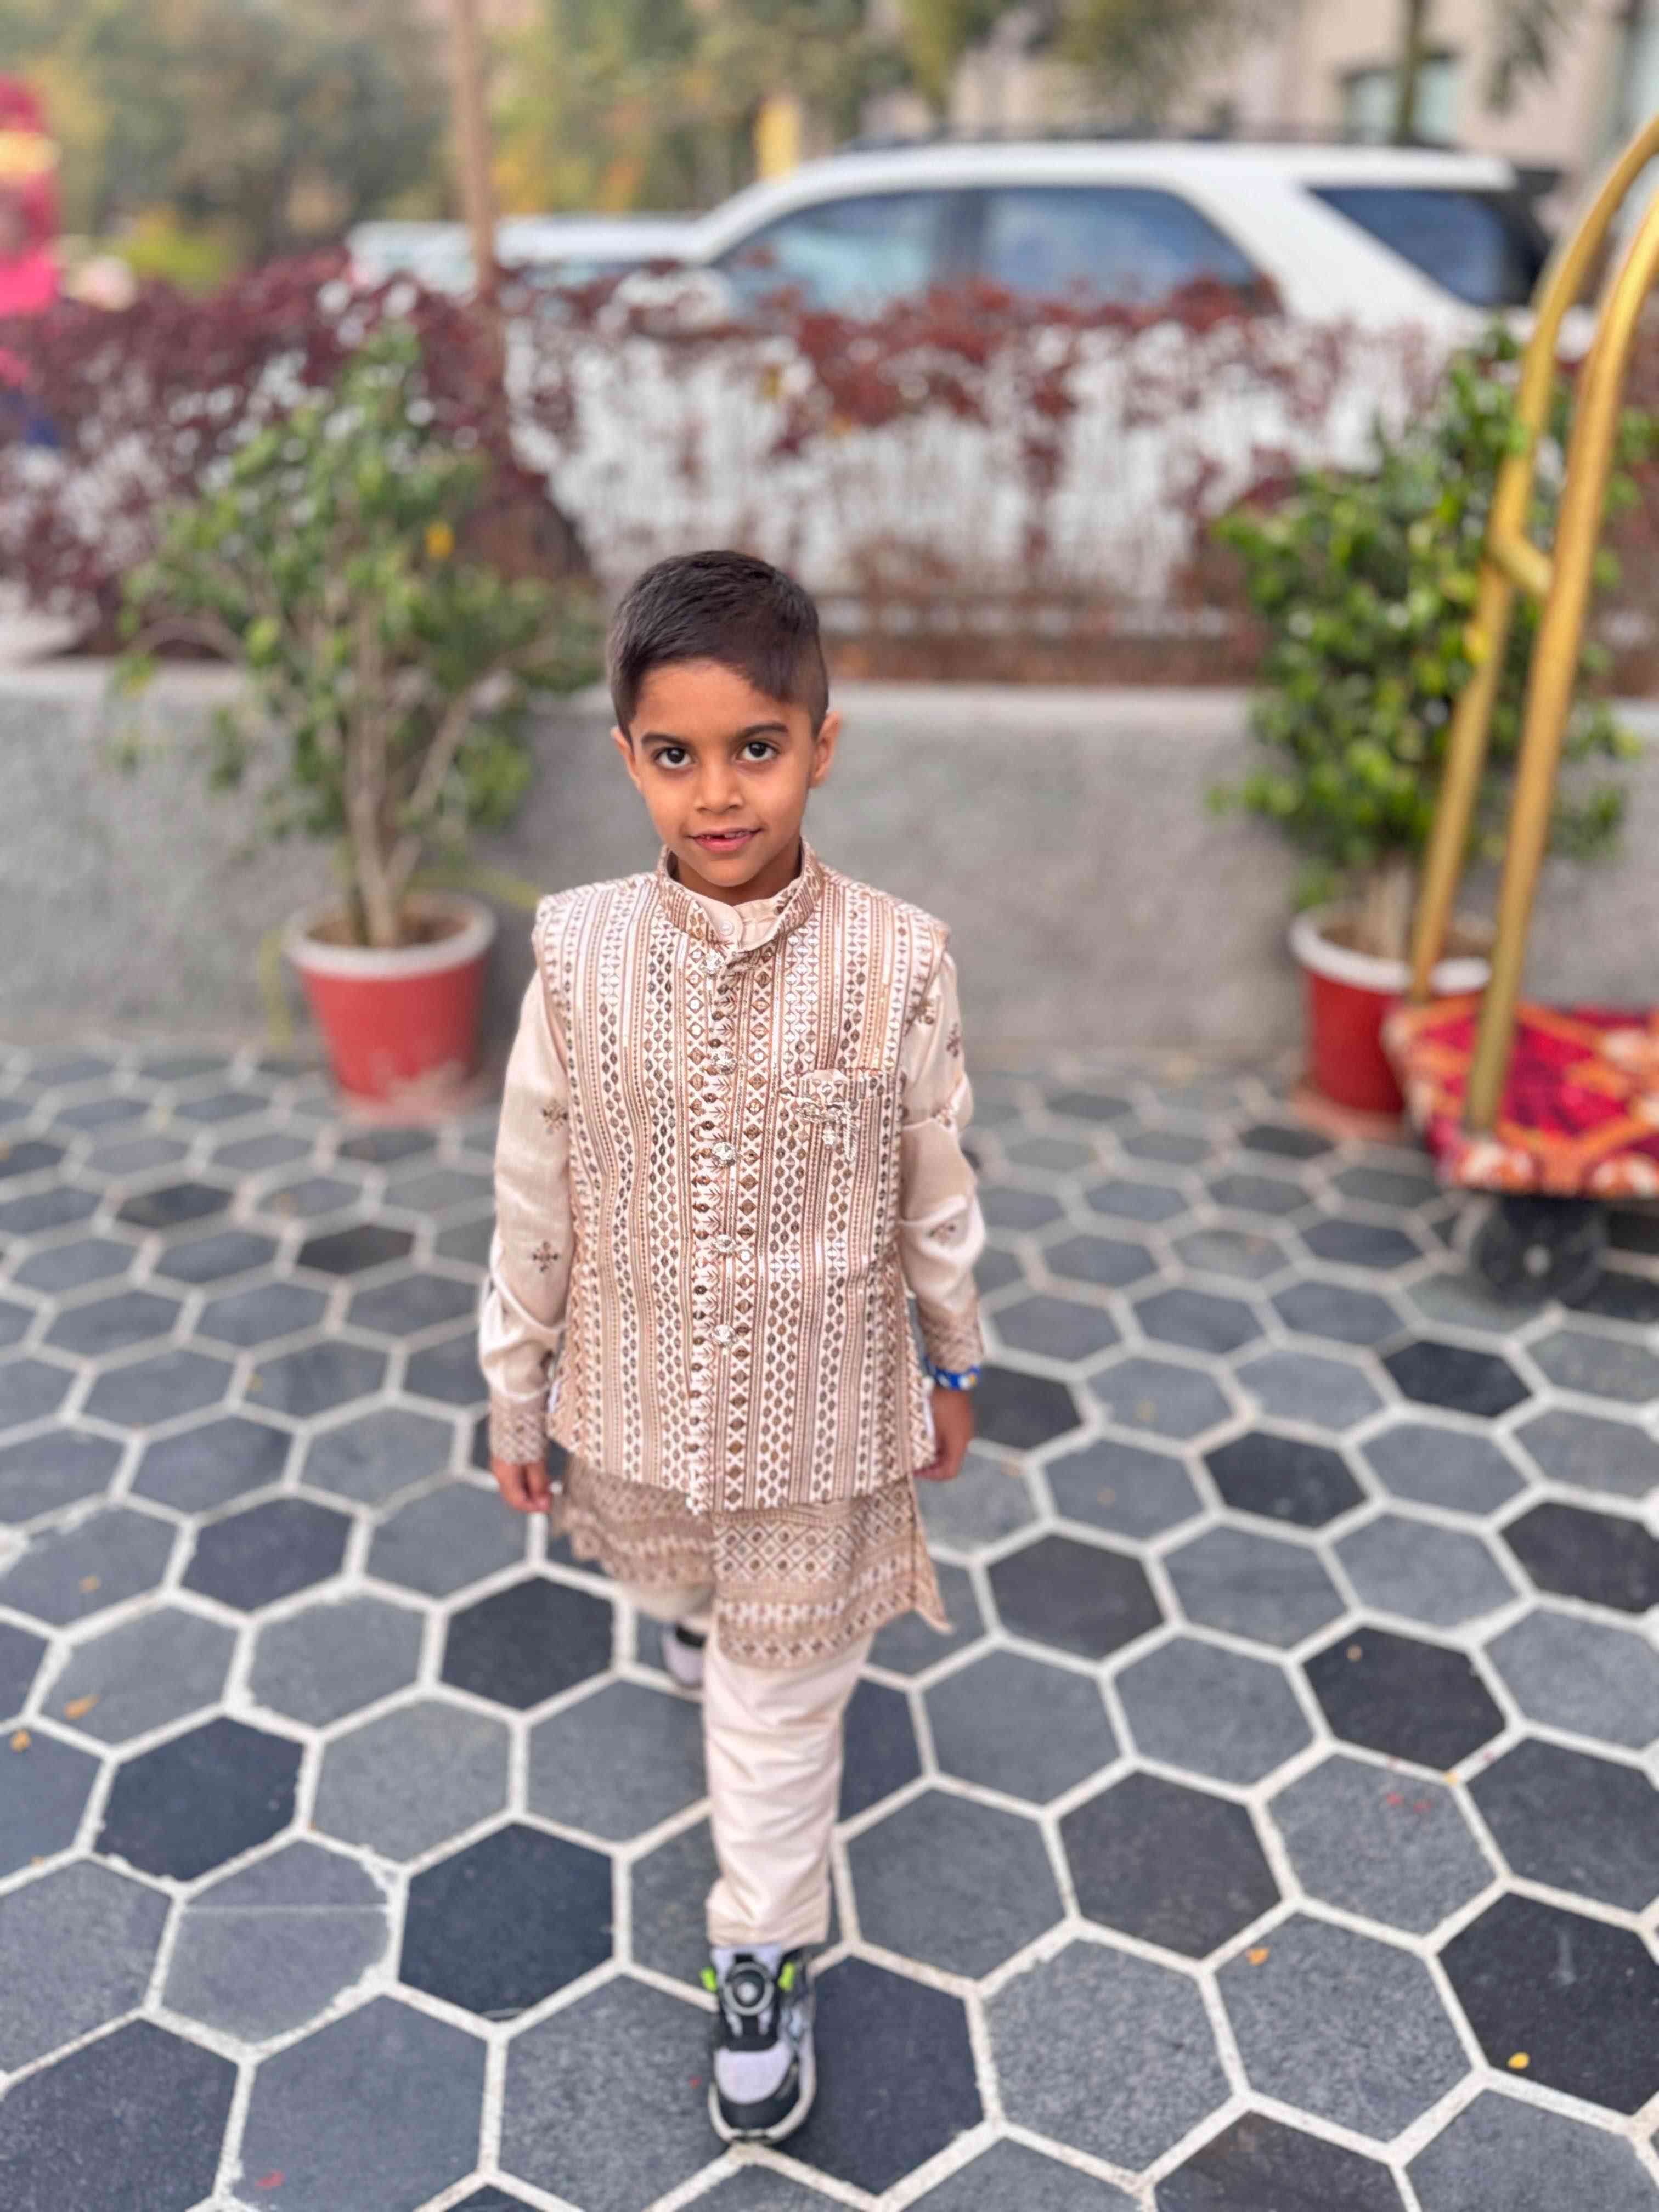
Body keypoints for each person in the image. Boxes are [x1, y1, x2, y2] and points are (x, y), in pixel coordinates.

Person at [479, 549, 985, 2145]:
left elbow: (937, 1181)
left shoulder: (897, 959)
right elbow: (532, 1188)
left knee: (776, 1718)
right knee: (684, 1585)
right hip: (637, 1399)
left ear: (821, 746)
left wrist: (953, 1356)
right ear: (627, 757)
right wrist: (515, 1386)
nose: (718, 793)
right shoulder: (577, 955)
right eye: (676, 754)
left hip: (828, 1427)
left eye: (756, 748)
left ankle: (759, 1951)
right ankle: (699, 1614)